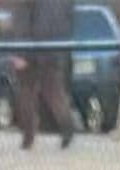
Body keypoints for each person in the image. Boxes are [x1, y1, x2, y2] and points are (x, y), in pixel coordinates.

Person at [10, 0, 75, 150]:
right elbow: (67, 19)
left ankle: (28, 135)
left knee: (26, 92)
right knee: (54, 91)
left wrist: (20, 52)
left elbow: (22, 20)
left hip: (31, 47)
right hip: (54, 47)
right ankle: (67, 126)